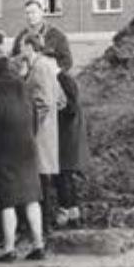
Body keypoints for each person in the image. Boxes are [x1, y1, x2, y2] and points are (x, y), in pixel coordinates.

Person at [0, 46, 47, 262]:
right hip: (27, 147)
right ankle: (38, 245)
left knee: (7, 200)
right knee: (31, 198)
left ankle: (9, 249)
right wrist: (30, 137)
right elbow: (35, 117)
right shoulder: (23, 84)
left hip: (4, 149)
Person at [21, 37, 66, 227]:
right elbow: (61, 100)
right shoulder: (48, 66)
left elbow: (44, 102)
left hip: (40, 132)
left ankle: (43, 223)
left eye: (22, 47)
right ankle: (45, 222)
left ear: (29, 47)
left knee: (40, 178)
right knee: (44, 177)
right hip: (49, 131)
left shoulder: (39, 67)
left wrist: (30, 125)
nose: (20, 51)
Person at [54, 64, 88, 228]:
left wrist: (56, 110)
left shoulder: (61, 79)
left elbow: (71, 108)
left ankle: (65, 214)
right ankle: (74, 214)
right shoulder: (66, 78)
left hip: (65, 136)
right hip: (69, 135)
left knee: (63, 175)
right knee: (66, 176)